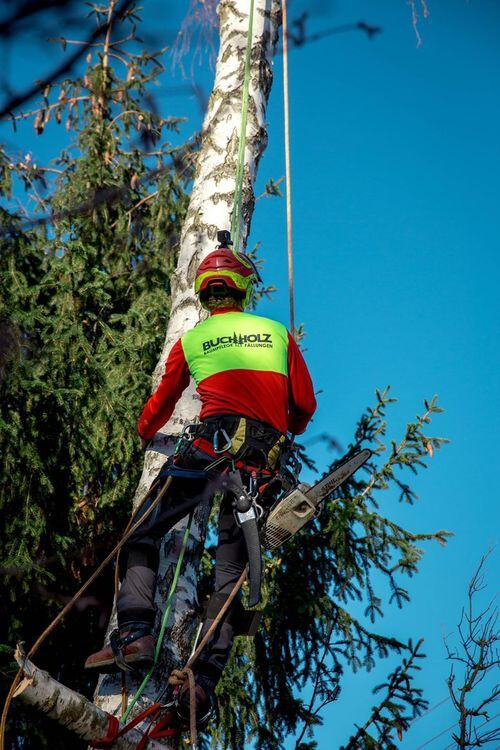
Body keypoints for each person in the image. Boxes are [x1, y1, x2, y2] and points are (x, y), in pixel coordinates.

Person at [84, 236, 316, 723]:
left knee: (141, 533)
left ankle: (134, 633)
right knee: (232, 579)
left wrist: (145, 431)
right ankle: (202, 688)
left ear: (206, 295)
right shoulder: (276, 334)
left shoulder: (193, 339)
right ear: (241, 290)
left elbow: (163, 402)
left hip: (207, 452)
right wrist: (283, 427)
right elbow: (305, 408)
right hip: (259, 469)